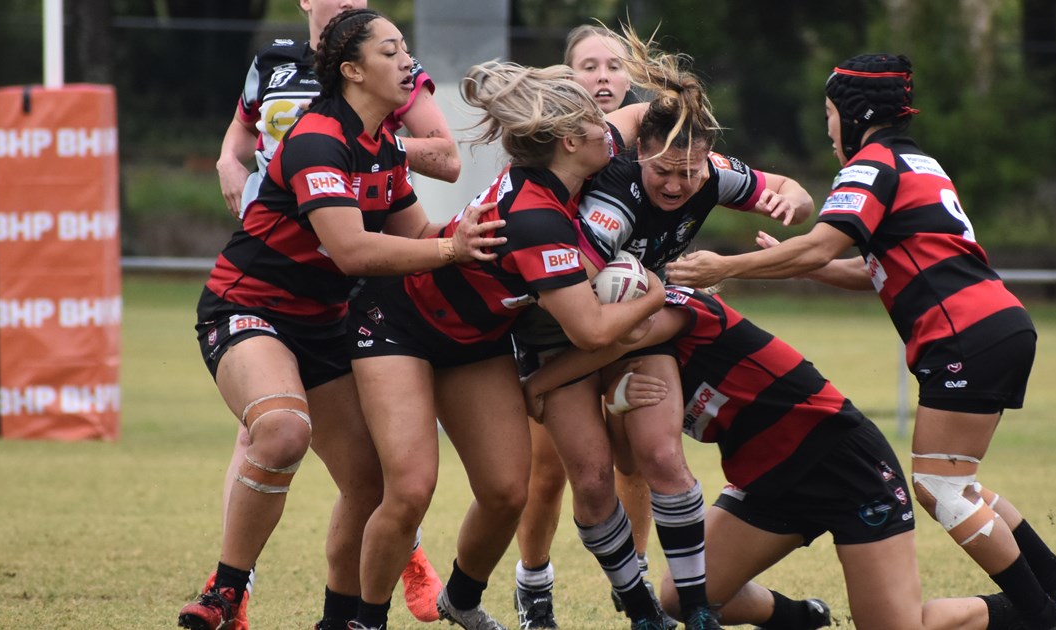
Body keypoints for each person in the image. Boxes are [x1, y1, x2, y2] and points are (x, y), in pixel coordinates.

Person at [666, 53, 1056, 630]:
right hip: (998, 322)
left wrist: (728, 265)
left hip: (961, 332)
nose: (827, 128)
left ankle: (1043, 616)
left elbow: (821, 244)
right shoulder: (920, 162)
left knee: (941, 488)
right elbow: (877, 268)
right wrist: (806, 266)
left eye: (828, 113)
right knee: (954, 481)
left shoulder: (870, 166)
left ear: (853, 114)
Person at [176, 10, 504, 630]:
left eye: (406, 49)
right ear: (352, 71)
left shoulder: (383, 146)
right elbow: (353, 251)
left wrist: (482, 231)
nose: (408, 62)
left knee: (372, 483)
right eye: (391, 51)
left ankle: (338, 621)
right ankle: (226, 591)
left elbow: (417, 235)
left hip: (323, 322)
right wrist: (450, 249)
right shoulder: (317, 140)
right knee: (281, 431)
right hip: (247, 306)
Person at [512, 27, 816, 630]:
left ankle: (696, 608)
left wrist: (792, 203)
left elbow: (790, 192)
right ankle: (622, 603)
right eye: (664, 174)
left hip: (635, 324)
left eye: (689, 174)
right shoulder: (610, 198)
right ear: (641, 156)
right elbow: (584, 316)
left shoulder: (709, 170)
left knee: (659, 456)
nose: (676, 185)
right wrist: (647, 295)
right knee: (584, 479)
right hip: (560, 331)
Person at [345, 61, 664, 630]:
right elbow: (591, 332)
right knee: (411, 490)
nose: (607, 127)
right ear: (569, 142)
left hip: (475, 338)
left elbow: (641, 114)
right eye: (596, 122)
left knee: (506, 491)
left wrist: (683, 108)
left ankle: (461, 600)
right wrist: (656, 293)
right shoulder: (537, 219)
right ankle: (365, 622)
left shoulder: (578, 155)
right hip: (401, 323)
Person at [523, 286, 1051, 630]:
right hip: (768, 482)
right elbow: (629, 464)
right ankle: (793, 618)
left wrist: (538, 383)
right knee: (680, 599)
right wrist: (615, 406)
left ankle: (1015, 614)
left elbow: (627, 333)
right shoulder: (615, 364)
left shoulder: (686, 311)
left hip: (844, 466)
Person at [510, 24, 660, 630]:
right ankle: (534, 584)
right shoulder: (551, 146)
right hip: (555, 329)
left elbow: (696, 183)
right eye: (588, 66)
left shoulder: (650, 148)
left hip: (629, 316)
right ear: (566, 77)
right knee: (549, 470)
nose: (602, 77)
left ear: (630, 78)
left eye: (614, 66)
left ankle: (636, 584)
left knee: (637, 458)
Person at [216, 0, 459, 216]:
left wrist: (362, 139)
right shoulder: (272, 58)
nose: (348, 3)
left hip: (355, 222)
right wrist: (227, 160)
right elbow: (244, 124)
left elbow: (448, 161)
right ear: (306, 1)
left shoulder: (396, 67)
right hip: (273, 222)